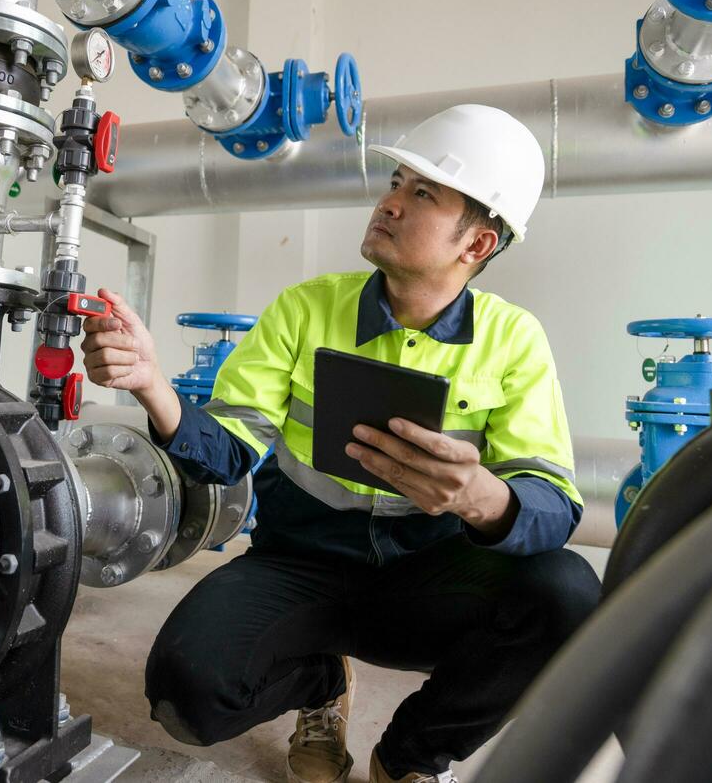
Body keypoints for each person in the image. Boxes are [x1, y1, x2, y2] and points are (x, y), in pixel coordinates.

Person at [79, 104, 601, 783]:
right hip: (303, 563)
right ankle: (319, 684)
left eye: (421, 194)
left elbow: (552, 504)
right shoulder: (304, 309)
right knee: (188, 697)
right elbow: (229, 450)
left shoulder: (513, 339)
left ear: (475, 246)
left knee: (566, 592)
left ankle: (408, 756)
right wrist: (152, 386)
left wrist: (484, 499)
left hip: (429, 572)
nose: (388, 203)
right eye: (393, 182)